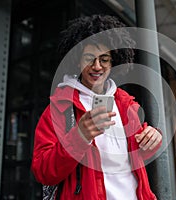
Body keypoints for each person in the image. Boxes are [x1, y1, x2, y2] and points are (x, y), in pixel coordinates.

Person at [31, 15, 162, 200]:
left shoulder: (127, 104)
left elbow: (138, 154)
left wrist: (152, 137)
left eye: (104, 59)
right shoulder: (59, 109)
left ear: (113, 61)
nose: (97, 66)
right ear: (77, 60)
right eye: (89, 58)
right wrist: (79, 137)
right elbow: (43, 172)